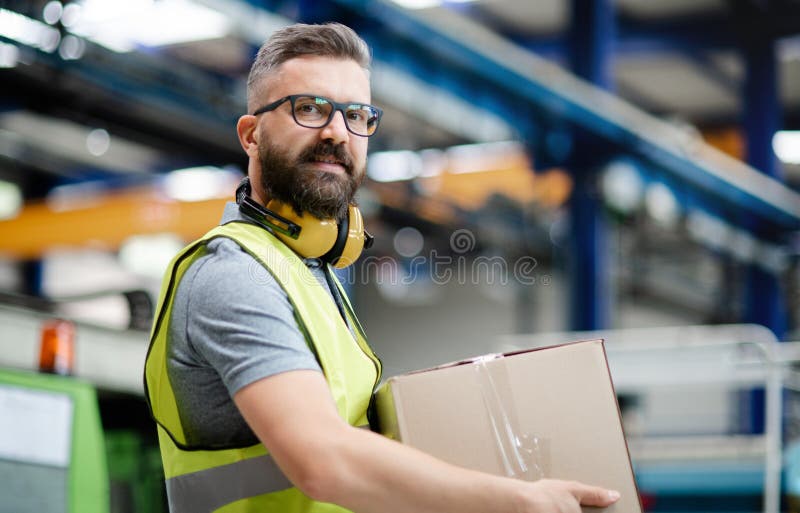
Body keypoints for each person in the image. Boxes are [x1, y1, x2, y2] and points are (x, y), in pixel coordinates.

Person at [144, 22, 621, 513]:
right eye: (309, 108)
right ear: (251, 135)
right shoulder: (232, 274)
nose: (336, 132)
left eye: (357, 115)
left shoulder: (315, 274)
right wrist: (517, 501)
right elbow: (323, 460)